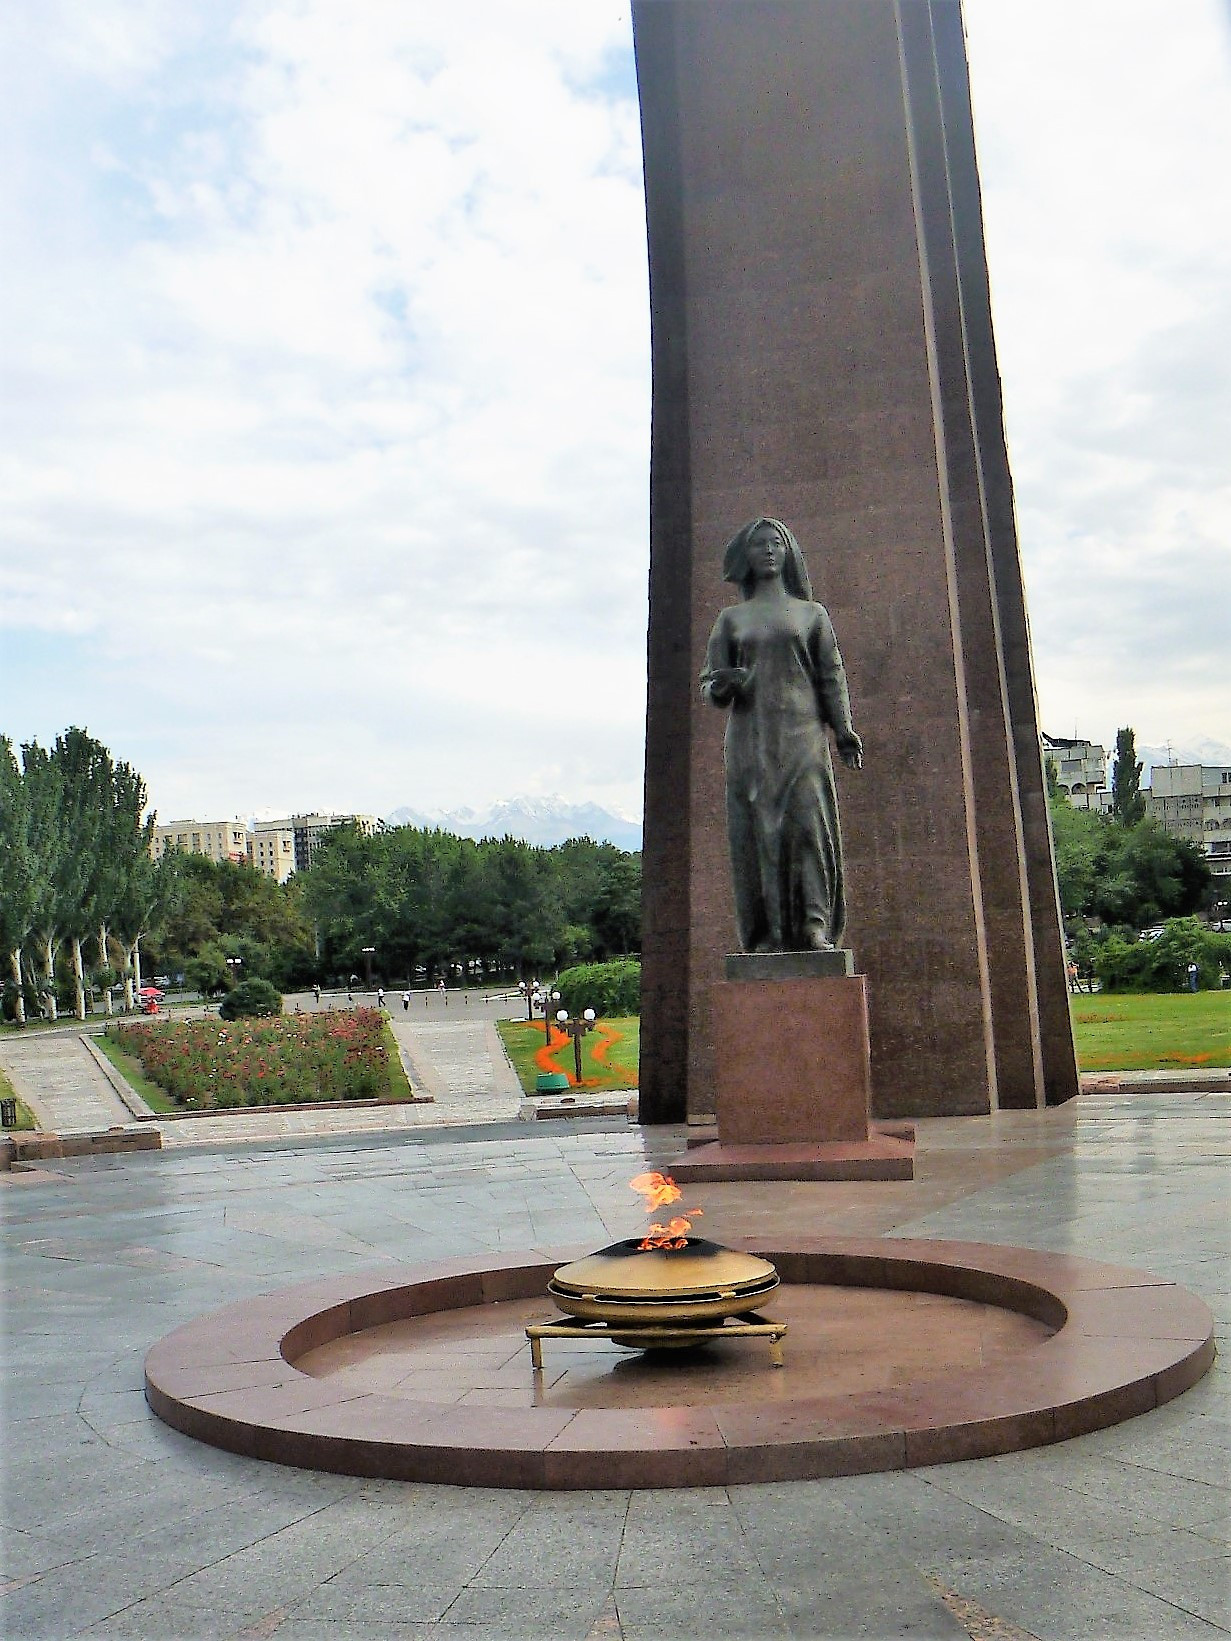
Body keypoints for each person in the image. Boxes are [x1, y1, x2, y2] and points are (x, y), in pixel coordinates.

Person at [702, 516, 862, 953]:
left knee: (808, 825)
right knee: (760, 834)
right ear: (747, 559)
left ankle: (814, 923)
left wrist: (843, 728)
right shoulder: (731, 619)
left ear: (788, 551)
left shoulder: (812, 615)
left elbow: (832, 674)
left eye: (776, 543)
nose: (768, 551)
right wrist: (721, 685)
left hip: (804, 735)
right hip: (751, 739)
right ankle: (769, 933)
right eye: (759, 546)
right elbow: (710, 683)